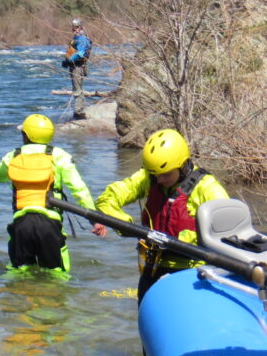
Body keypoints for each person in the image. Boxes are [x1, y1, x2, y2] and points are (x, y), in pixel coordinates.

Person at [95, 128, 228, 303]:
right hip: (152, 269)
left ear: (182, 166)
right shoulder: (150, 177)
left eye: (165, 174)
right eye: (155, 174)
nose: (159, 180)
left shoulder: (207, 188)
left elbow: (227, 232)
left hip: (190, 273)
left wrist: (186, 239)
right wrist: (124, 223)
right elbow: (107, 198)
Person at [0, 113, 106, 274]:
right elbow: (79, 189)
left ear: (25, 135)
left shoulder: (13, 156)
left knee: (18, 274)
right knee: (57, 276)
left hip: (21, 226)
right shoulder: (59, 156)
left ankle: (15, 298)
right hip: (49, 226)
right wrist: (94, 219)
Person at [61, 18, 92, 120]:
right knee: (78, 88)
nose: (74, 30)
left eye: (77, 27)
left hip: (77, 66)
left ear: (81, 28)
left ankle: (79, 112)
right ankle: (80, 110)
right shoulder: (78, 38)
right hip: (76, 66)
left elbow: (81, 53)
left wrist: (69, 60)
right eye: (73, 28)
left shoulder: (81, 39)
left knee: (77, 89)